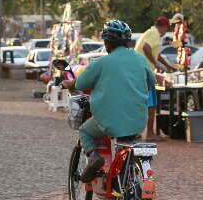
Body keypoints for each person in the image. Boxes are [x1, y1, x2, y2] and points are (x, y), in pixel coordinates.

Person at [62, 20, 155, 182]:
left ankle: (93, 157)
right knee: (127, 140)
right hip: (139, 121)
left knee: (85, 130)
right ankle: (127, 178)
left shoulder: (101, 63)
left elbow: (81, 83)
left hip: (110, 121)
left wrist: (68, 83)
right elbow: (151, 83)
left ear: (106, 43)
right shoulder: (140, 60)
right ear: (127, 41)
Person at [135, 16, 175, 141]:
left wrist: (167, 65)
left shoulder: (150, 32)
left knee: (140, 103)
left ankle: (135, 131)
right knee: (151, 104)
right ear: (163, 27)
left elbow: (156, 54)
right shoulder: (154, 34)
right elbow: (147, 48)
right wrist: (156, 64)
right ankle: (150, 134)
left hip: (139, 71)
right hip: (144, 72)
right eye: (166, 29)